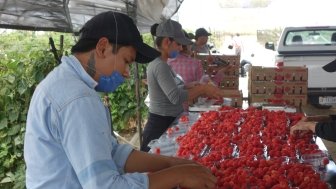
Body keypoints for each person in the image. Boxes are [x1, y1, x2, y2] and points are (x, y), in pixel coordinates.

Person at [24, 11, 217, 189]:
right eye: (126, 61)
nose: (126, 73)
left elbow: (112, 152)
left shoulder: (66, 82)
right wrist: (177, 175)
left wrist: (171, 163)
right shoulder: (78, 98)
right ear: (102, 48)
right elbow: (106, 186)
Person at [141, 19, 226, 152]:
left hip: (168, 121)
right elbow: (175, 97)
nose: (181, 48)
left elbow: (171, 89)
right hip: (160, 125)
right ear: (166, 42)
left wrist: (188, 86)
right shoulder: (160, 65)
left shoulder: (163, 64)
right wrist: (202, 88)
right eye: (179, 44)